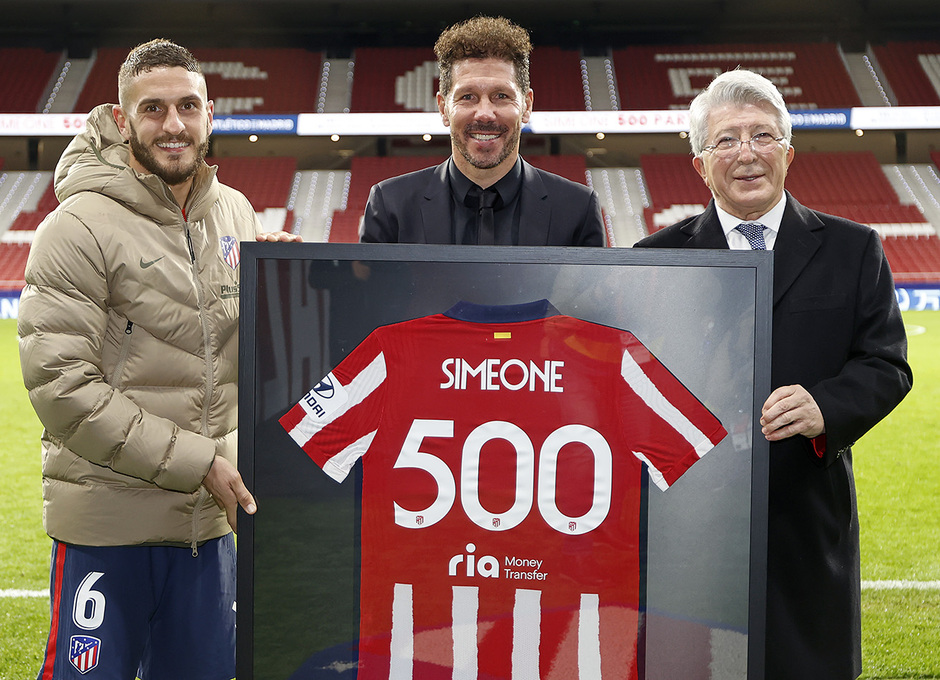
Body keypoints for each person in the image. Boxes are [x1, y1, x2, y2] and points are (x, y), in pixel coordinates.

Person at [18, 39, 300, 679]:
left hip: (208, 529)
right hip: (108, 529)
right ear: (122, 121)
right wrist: (203, 462)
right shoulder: (75, 227)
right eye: (153, 109)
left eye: (188, 106)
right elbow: (64, 389)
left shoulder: (235, 212)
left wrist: (283, 281)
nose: (173, 124)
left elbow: (241, 353)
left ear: (210, 113)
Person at [634, 69, 913, 679]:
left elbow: (887, 364)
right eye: (726, 140)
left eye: (763, 136)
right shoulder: (654, 261)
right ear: (699, 164)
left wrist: (826, 407)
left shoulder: (853, 249)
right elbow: (633, 381)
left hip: (804, 518)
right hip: (692, 523)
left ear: (788, 153)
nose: (747, 153)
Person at [360, 15, 605, 246]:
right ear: (443, 108)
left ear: (527, 106)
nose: (485, 114)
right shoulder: (390, 205)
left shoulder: (579, 209)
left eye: (501, 96)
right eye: (467, 96)